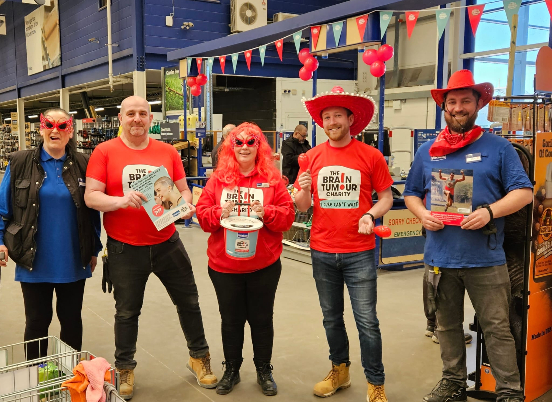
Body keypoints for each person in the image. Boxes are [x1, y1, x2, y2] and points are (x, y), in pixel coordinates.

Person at [403, 70, 532, 402]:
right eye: (452, 102)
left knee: (497, 329)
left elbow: (524, 192)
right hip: (440, 257)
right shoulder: (428, 151)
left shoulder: (499, 148)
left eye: (465, 101)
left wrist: (489, 212)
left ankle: (509, 392)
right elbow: (412, 193)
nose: (458, 107)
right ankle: (453, 383)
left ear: (478, 105)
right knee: (446, 328)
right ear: (444, 107)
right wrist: (422, 214)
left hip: (486, 258)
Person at [84, 96, 217, 400]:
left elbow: (182, 189)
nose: (137, 119)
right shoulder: (104, 152)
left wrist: (187, 205)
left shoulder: (167, 151)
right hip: (124, 248)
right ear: (121, 118)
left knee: (189, 302)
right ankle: (125, 367)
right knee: (127, 312)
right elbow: (92, 196)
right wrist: (120, 201)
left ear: (150, 119)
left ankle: (199, 358)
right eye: (131, 114)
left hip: (167, 242)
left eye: (143, 114)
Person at [294, 87, 394, 402]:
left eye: (338, 115)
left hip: (359, 253)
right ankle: (340, 370)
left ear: (350, 119)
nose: (332, 121)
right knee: (331, 317)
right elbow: (302, 207)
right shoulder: (310, 157)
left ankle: (375, 382)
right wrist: (304, 190)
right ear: (321, 122)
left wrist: (369, 214)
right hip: (322, 250)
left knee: (367, 320)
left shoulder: (371, 156)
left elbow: (387, 198)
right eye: (327, 116)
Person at [196, 122, 295, 396]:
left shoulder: (273, 180)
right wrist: (218, 212)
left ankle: (264, 369)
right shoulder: (218, 179)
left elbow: (287, 217)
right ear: (230, 146)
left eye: (251, 142)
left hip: (263, 265)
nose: (244, 147)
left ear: (259, 146)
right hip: (224, 266)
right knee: (231, 320)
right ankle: (232, 369)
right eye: (238, 142)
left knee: (262, 319)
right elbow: (202, 216)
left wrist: (267, 212)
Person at [0, 108, 102, 360]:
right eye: (49, 125)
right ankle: (37, 376)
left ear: (70, 131)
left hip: (72, 258)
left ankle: (68, 376)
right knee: (37, 321)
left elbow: (92, 212)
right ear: (41, 128)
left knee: (70, 320)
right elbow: (3, 208)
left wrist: (93, 248)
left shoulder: (83, 163)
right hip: (32, 258)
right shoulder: (20, 162)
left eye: (62, 126)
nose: (55, 130)